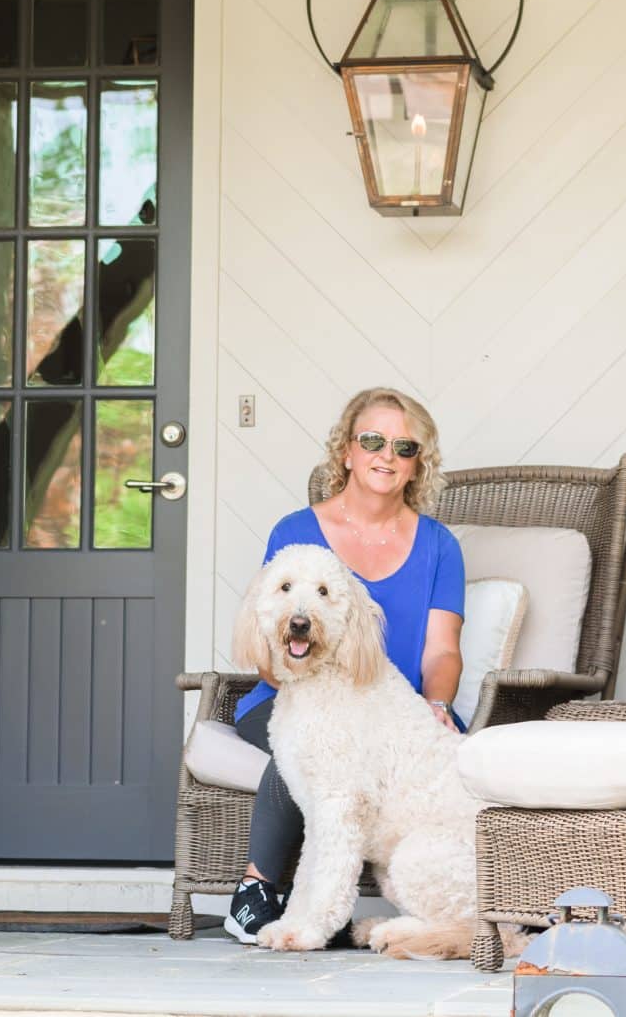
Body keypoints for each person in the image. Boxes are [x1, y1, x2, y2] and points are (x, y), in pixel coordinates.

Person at [223, 386, 466, 945]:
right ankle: (256, 889)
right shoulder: (295, 533)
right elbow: (272, 624)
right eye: (373, 440)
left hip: (385, 704)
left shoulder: (438, 546)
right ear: (347, 452)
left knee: (345, 753)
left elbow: (443, 650)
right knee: (310, 744)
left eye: (404, 448)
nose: (387, 455)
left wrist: (437, 703)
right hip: (292, 694)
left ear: (417, 465)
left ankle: (340, 909)